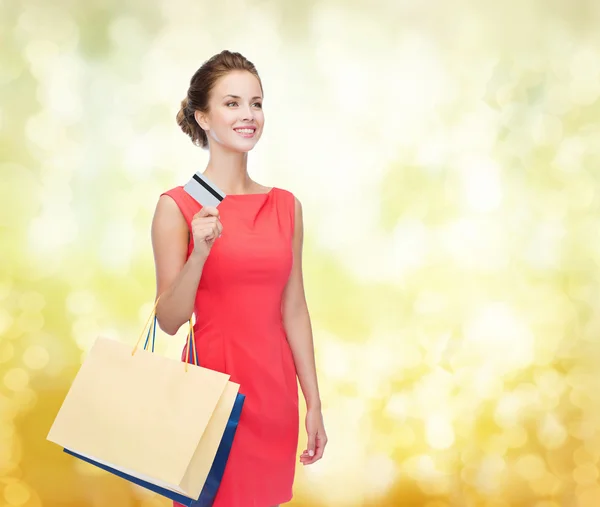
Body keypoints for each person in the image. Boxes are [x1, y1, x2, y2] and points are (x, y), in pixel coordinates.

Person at [150, 50, 327, 507]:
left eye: (256, 103)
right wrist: (199, 253)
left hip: (274, 399)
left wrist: (314, 403)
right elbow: (169, 319)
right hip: (209, 401)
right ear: (202, 116)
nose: (248, 115)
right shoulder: (177, 207)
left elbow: (294, 309)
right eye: (232, 103)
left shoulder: (286, 206)